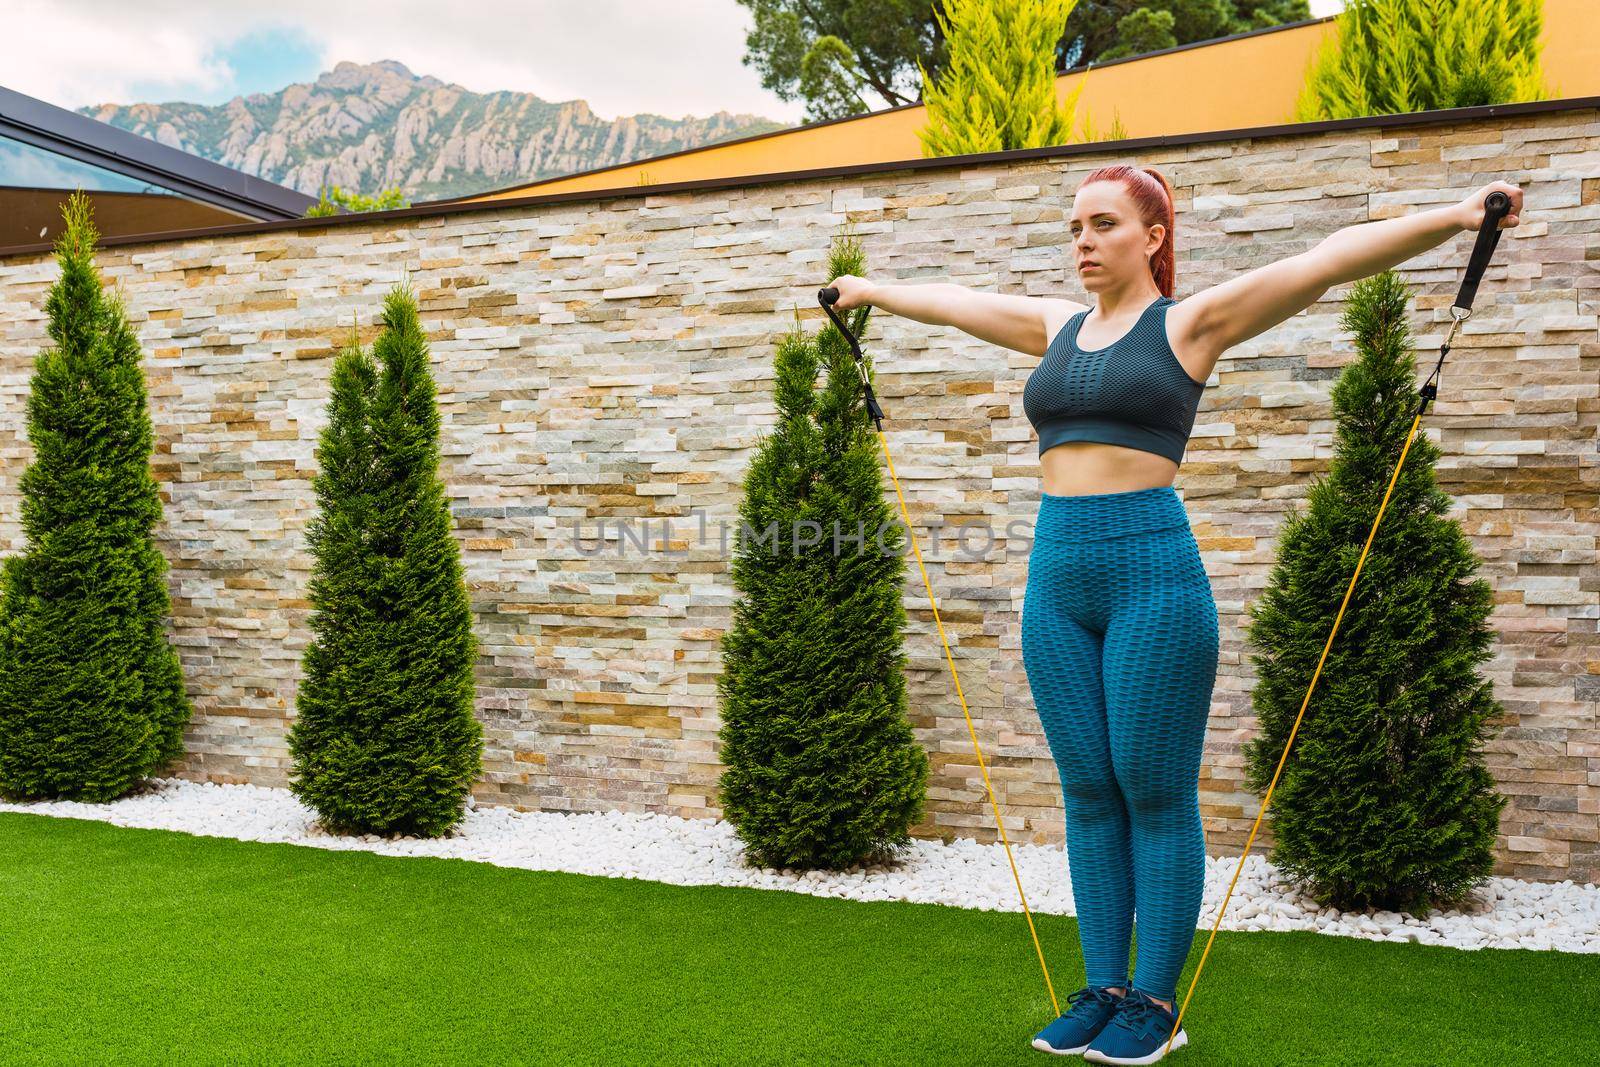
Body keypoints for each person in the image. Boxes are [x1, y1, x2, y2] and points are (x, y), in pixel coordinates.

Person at [824, 166, 1521, 1064]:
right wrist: (872, 290)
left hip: (1152, 570)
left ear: (1152, 236)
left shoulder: (1187, 325)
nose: (1081, 240)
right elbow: (960, 301)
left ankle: (1155, 999)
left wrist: (1461, 215)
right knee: (1085, 790)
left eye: (1102, 223)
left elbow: (1326, 261)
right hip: (1056, 576)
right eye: (1074, 225)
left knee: (1153, 789)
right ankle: (1102, 987)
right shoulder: (1054, 327)